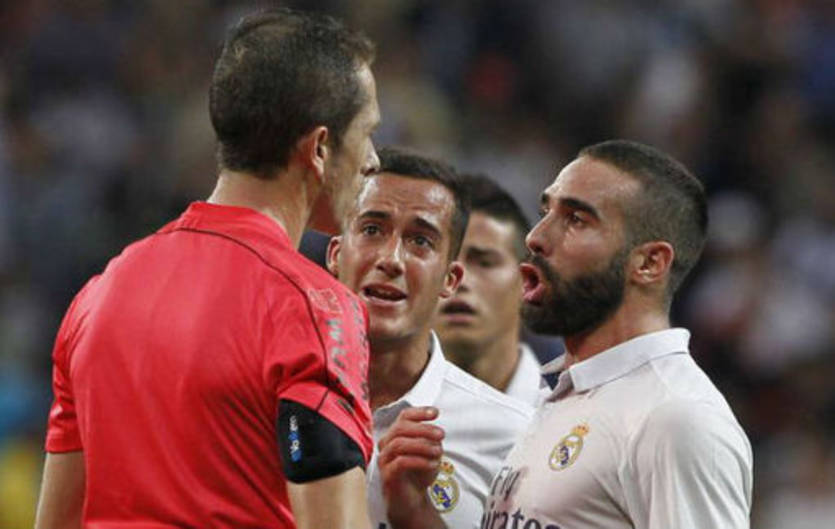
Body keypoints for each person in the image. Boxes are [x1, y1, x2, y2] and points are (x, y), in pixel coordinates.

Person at [35, 8, 380, 529]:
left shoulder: (98, 296)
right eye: (368, 132)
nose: (373, 159)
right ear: (320, 148)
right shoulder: (314, 308)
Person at [482, 139, 753, 528]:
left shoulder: (675, 418)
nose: (536, 236)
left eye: (576, 219)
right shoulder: (563, 394)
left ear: (649, 263)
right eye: (546, 211)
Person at [326, 147, 533, 529]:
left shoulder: (515, 438)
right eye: (372, 230)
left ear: (450, 280)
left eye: (420, 241)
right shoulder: (265, 398)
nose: (392, 259)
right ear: (336, 255)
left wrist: (417, 515)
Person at [433, 174, 546, 406]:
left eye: (484, 262)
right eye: (445, 261)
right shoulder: (377, 416)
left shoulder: (569, 417)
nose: (459, 280)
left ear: (528, 280)